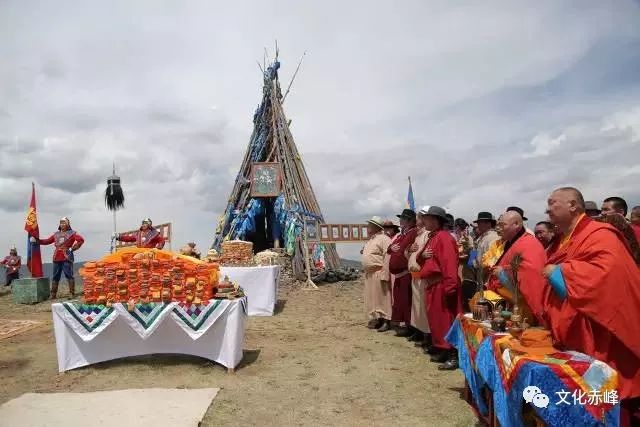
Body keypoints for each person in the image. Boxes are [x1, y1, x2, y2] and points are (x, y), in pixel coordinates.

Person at [523, 187, 640, 426]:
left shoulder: (600, 234)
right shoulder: (566, 237)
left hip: (599, 330)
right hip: (574, 331)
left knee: (604, 394)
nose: (547, 209)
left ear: (573, 205)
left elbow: (609, 275)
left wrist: (560, 271)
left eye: (552, 203)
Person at [418, 206, 461, 370]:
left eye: (427, 218)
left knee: (447, 320)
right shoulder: (433, 237)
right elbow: (420, 257)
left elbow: (449, 264)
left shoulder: (444, 238)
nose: (424, 221)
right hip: (434, 284)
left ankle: (453, 355)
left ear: (436, 220)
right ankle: (443, 350)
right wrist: (421, 256)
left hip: (442, 284)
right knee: (437, 321)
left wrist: (449, 288)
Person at [486, 211, 546, 326]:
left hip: (523, 308)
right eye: (498, 225)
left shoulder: (529, 244)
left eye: (503, 225)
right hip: (506, 303)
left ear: (516, 224)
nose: (499, 228)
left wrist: (503, 274)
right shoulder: (509, 242)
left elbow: (531, 276)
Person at [32, 217, 84, 298]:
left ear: (67, 224)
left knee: (69, 275)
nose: (62, 224)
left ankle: (71, 293)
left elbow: (81, 240)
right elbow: (47, 241)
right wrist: (37, 240)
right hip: (56, 257)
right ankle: (53, 294)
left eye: (64, 223)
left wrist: (73, 248)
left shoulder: (72, 233)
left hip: (66, 256)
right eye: (61, 223)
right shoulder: (56, 234)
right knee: (55, 276)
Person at [387, 209, 418, 337]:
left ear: (410, 221)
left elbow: (413, 248)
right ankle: (404, 323)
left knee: (407, 301)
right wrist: (390, 248)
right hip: (399, 274)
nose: (400, 221)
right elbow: (391, 247)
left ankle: (409, 326)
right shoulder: (402, 234)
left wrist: (408, 249)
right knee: (400, 300)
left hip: (406, 273)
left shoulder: (413, 233)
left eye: (403, 219)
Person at [361, 216, 392, 331]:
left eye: (370, 225)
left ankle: (386, 321)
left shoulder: (384, 239)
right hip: (370, 274)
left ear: (375, 227)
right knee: (373, 299)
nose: (368, 227)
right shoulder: (371, 240)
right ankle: (378, 319)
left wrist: (385, 272)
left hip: (379, 272)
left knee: (383, 298)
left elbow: (387, 256)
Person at [407, 207, 431, 347]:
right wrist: (409, 250)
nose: (416, 220)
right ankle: (420, 331)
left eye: (418, 217)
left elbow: (427, 254)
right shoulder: (417, 235)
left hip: (422, 275)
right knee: (417, 307)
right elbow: (410, 253)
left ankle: (427, 335)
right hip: (414, 275)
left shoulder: (428, 235)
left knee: (423, 307)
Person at [472, 212, 500, 282]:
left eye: (480, 222)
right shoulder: (481, 237)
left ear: (488, 223)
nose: (478, 225)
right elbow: (474, 253)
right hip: (479, 274)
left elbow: (492, 261)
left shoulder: (493, 238)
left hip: (487, 277)